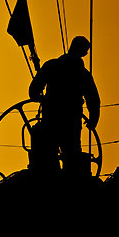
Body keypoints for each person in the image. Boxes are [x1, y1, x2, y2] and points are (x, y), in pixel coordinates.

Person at [28, 36, 100, 177]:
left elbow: (34, 88)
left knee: (48, 158)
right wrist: (93, 120)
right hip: (71, 123)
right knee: (71, 158)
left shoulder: (52, 66)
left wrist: (38, 97)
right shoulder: (83, 74)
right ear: (84, 53)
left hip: (51, 120)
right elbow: (93, 99)